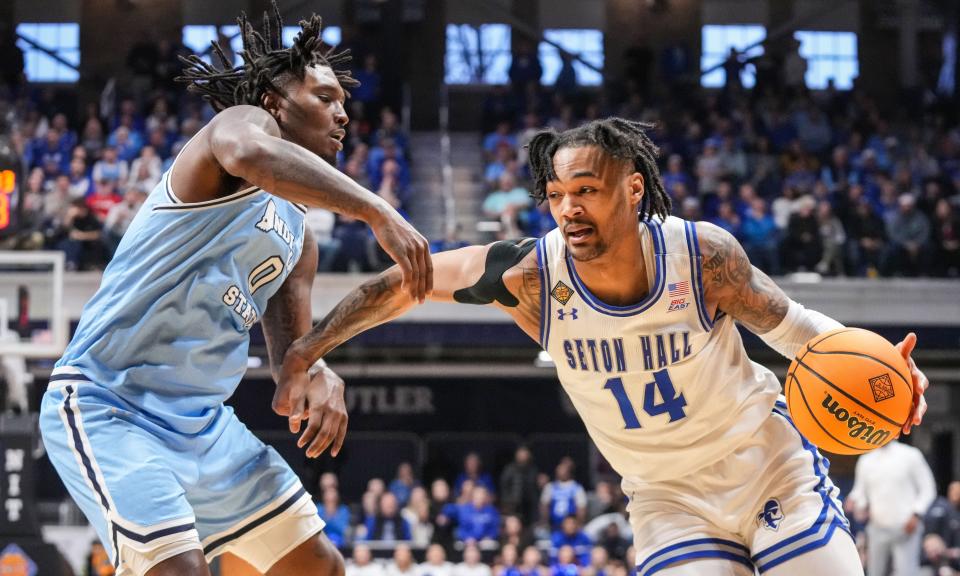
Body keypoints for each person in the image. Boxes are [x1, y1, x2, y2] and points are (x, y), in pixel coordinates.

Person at [281, 118, 931, 575]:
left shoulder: (701, 255)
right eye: (557, 195)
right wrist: (307, 351)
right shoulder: (530, 276)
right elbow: (401, 285)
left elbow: (798, 332)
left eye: (586, 191)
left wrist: (887, 376)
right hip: (666, 497)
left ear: (633, 189)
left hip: (765, 464)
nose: (568, 209)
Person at [38, 6, 431, 576]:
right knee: (181, 570)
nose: (343, 112)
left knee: (318, 567)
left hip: (203, 425)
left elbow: (289, 364)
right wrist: (375, 209)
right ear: (275, 101)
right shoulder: (239, 129)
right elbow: (252, 155)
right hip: (111, 405)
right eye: (325, 97)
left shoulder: (299, 234)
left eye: (344, 100)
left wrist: (316, 370)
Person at [848, 439, 937, 576]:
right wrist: (856, 503)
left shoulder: (911, 455)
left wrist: (916, 514)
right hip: (877, 527)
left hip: (906, 527)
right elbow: (860, 492)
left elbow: (928, 489)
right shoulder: (866, 459)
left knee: (906, 572)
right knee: (874, 572)